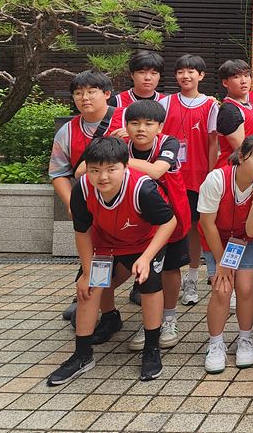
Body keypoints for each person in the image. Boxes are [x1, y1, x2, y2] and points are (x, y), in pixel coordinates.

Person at [46, 137, 176, 386]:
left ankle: (151, 349)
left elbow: (169, 222)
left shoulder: (143, 189)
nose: (102, 177)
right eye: (95, 170)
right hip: (105, 243)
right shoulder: (82, 189)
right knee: (89, 288)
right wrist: (87, 272)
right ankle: (82, 354)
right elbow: (82, 231)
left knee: (149, 284)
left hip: (144, 243)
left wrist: (146, 258)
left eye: (111, 169)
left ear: (125, 166)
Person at [49, 70, 125, 327]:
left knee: (130, 254)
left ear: (107, 94)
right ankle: (95, 301)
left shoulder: (127, 119)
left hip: (129, 203)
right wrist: (72, 203)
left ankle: (135, 288)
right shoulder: (67, 132)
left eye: (91, 92)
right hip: (91, 205)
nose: (85, 98)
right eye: (79, 93)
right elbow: (58, 173)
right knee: (95, 253)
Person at [198, 135, 253, 374]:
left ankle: (245, 339)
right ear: (241, 157)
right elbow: (207, 223)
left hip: (246, 239)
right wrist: (222, 262)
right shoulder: (216, 179)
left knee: (245, 287)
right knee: (222, 288)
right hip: (216, 238)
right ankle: (215, 344)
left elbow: (252, 230)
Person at [123, 100, 192, 352]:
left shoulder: (168, 143)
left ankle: (169, 318)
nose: (141, 129)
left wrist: (118, 159)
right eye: (134, 123)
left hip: (171, 217)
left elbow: (156, 171)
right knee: (149, 270)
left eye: (148, 123)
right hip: (138, 220)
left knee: (170, 269)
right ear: (126, 126)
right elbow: (85, 168)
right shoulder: (122, 145)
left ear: (160, 127)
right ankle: (150, 322)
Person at [160, 54, 218, 307]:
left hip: (197, 178)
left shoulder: (211, 106)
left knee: (194, 227)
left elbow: (213, 143)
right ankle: (164, 277)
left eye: (191, 71)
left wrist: (211, 175)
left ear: (201, 75)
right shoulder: (165, 103)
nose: (186, 76)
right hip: (168, 178)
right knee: (167, 226)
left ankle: (192, 278)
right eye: (181, 71)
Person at [214, 59, 253, 168]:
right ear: (225, 82)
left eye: (246, 75)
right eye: (236, 77)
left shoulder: (252, 107)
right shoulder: (229, 110)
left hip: (251, 167)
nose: (243, 81)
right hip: (232, 170)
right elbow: (242, 150)